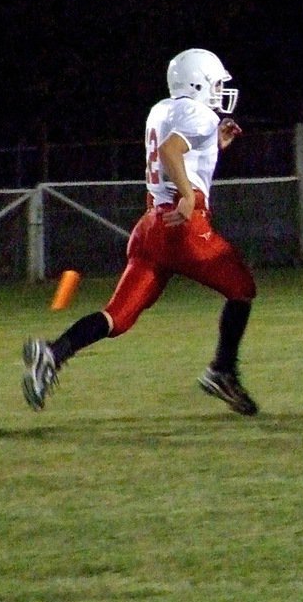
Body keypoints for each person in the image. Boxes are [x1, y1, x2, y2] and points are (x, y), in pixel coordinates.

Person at [21, 48, 260, 416]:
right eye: (214, 83)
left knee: (117, 316)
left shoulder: (161, 109)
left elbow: (180, 152)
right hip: (184, 227)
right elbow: (171, 151)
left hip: (151, 227)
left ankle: (53, 353)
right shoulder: (198, 112)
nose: (218, 91)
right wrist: (185, 195)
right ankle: (222, 370)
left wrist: (214, 145)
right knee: (242, 289)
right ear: (197, 82)